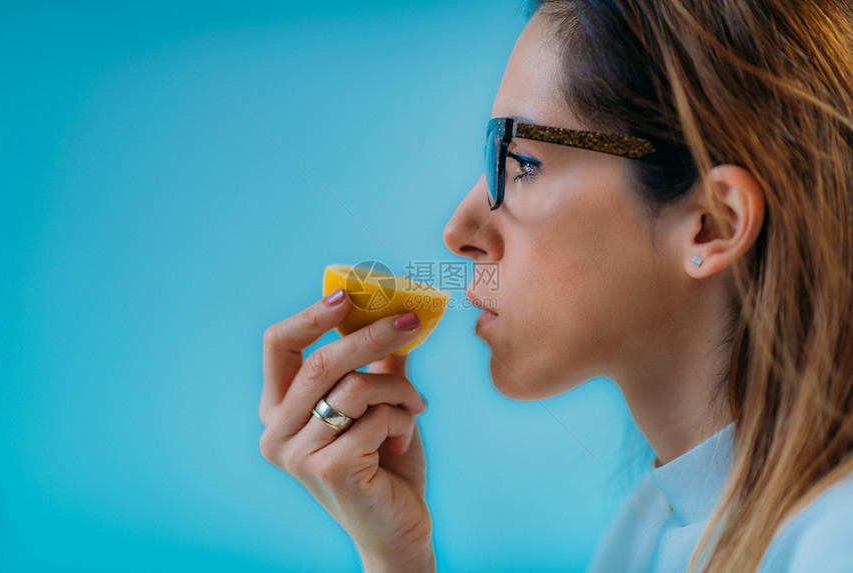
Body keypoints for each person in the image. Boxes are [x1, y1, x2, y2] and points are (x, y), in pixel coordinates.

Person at [257, 0, 853, 571]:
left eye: (521, 164)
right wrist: (396, 557)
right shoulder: (647, 526)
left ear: (710, 225)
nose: (458, 231)